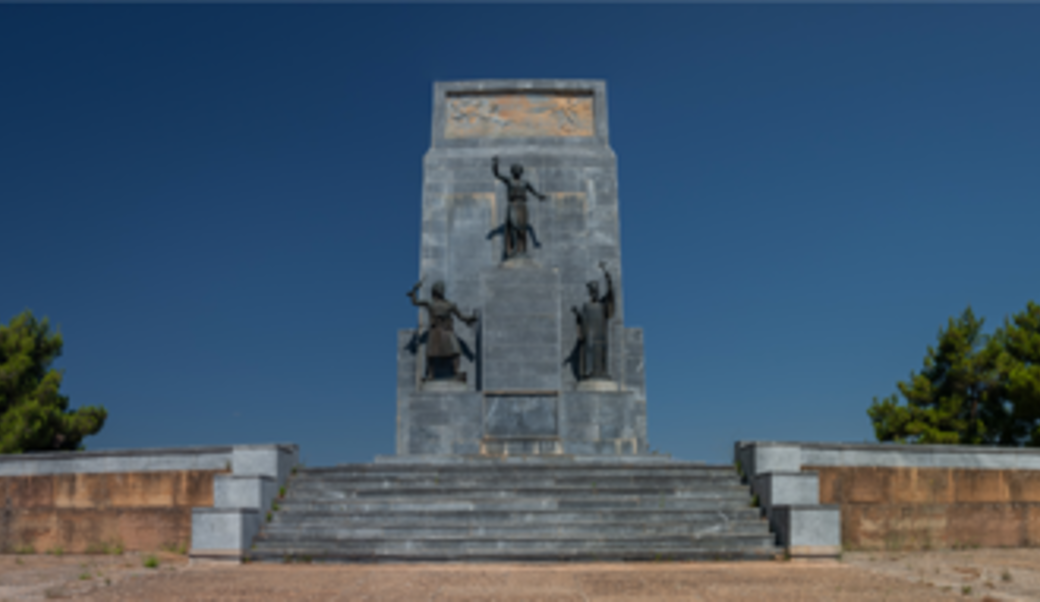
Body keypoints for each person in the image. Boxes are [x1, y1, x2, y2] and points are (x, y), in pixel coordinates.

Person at [407, 280, 478, 381]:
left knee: (456, 350)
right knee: (430, 353)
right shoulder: (430, 302)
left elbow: (461, 316)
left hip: (447, 330)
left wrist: (470, 318)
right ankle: (430, 374)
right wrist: (413, 293)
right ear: (435, 290)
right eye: (439, 288)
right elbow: (416, 302)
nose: (441, 290)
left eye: (442, 288)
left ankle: (456, 371)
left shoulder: (450, 304)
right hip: (435, 330)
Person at [492, 156, 548, 258]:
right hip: (513, 204)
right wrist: (495, 164)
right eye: (515, 170)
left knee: (522, 228)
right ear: (512, 171)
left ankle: (523, 249)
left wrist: (540, 196)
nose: (517, 171)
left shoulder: (525, 183)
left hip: (522, 206)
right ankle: (514, 249)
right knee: (513, 226)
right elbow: (497, 174)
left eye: (518, 170)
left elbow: (533, 192)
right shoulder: (509, 180)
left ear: (521, 172)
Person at [572, 262, 615, 380]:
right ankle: (590, 373)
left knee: (602, 353)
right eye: (593, 291)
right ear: (590, 292)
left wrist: (609, 281)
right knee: (590, 354)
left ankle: (603, 372)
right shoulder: (586, 306)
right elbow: (582, 321)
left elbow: (611, 298)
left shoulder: (602, 304)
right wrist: (578, 314)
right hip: (590, 335)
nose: (595, 293)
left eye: (596, 290)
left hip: (601, 334)